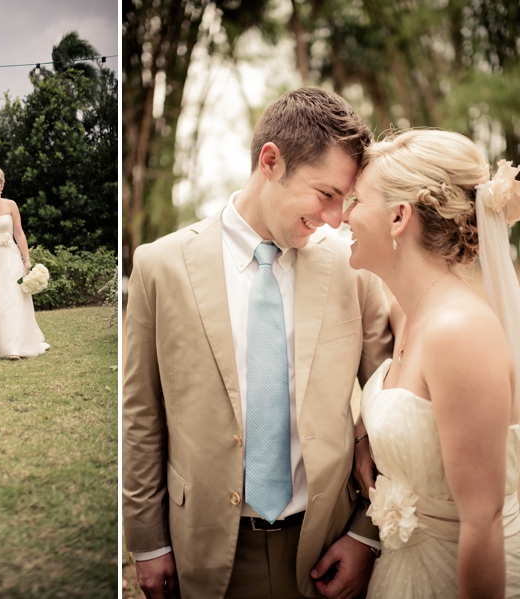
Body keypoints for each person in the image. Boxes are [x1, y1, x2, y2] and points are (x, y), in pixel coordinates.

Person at [123, 87, 393, 599]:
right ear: (271, 161)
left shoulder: (352, 270)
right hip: (204, 550)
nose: (337, 219)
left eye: (346, 200)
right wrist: (147, 543)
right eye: (326, 194)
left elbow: (391, 401)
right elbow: (141, 413)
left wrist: (366, 532)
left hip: (327, 546)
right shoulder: (160, 266)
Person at [345, 129, 520, 598]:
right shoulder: (410, 312)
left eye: (356, 202)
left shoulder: (458, 333)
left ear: (399, 216)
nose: (344, 217)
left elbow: (481, 523)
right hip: (402, 569)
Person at [0, 166, 49, 360]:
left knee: (11, 298)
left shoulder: (11, 205)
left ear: (2, 185)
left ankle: (12, 346)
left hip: (10, 257)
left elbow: (19, 233)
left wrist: (26, 258)